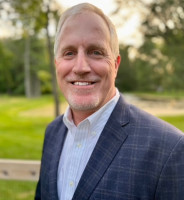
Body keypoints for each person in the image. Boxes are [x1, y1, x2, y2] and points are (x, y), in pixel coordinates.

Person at [35, 3, 184, 200]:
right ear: (57, 64)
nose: (81, 67)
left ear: (115, 64)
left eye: (95, 52)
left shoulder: (169, 148)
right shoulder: (53, 132)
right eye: (69, 53)